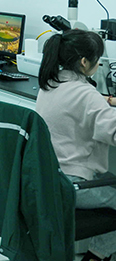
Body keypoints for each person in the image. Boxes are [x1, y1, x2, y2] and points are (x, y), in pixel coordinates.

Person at [36, 29, 116, 261]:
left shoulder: (49, 84)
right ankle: (97, 255)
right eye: (97, 59)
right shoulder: (86, 95)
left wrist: (105, 101)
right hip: (74, 186)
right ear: (84, 61)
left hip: (47, 178)